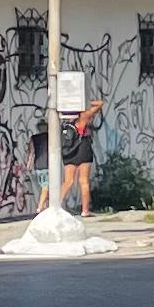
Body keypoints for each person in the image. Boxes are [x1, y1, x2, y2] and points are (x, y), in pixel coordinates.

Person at [59, 89, 105, 217]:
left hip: (69, 151)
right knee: (83, 181)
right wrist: (85, 104)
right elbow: (100, 103)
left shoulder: (65, 120)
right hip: (83, 149)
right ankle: (85, 210)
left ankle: (55, 207)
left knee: (68, 181)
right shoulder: (83, 117)